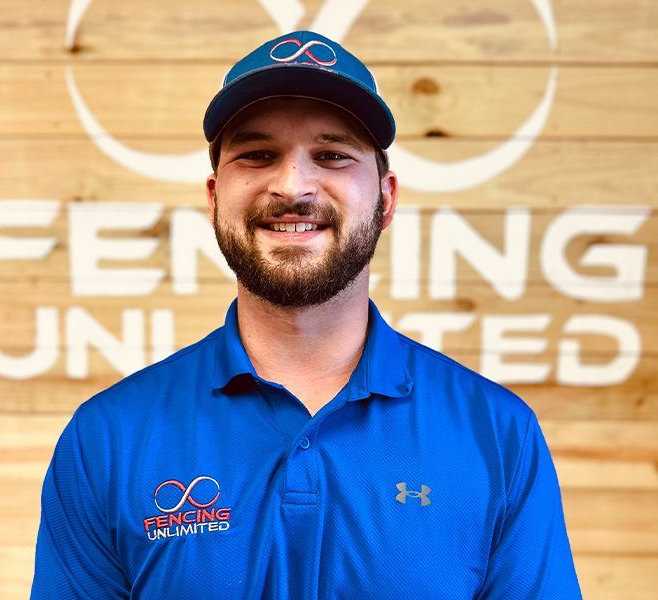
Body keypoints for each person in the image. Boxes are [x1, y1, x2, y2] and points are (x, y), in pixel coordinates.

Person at [31, 30, 582, 599]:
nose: (293, 185)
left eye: (332, 155)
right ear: (215, 195)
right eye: (258, 154)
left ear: (386, 198)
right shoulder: (109, 436)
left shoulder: (496, 433)